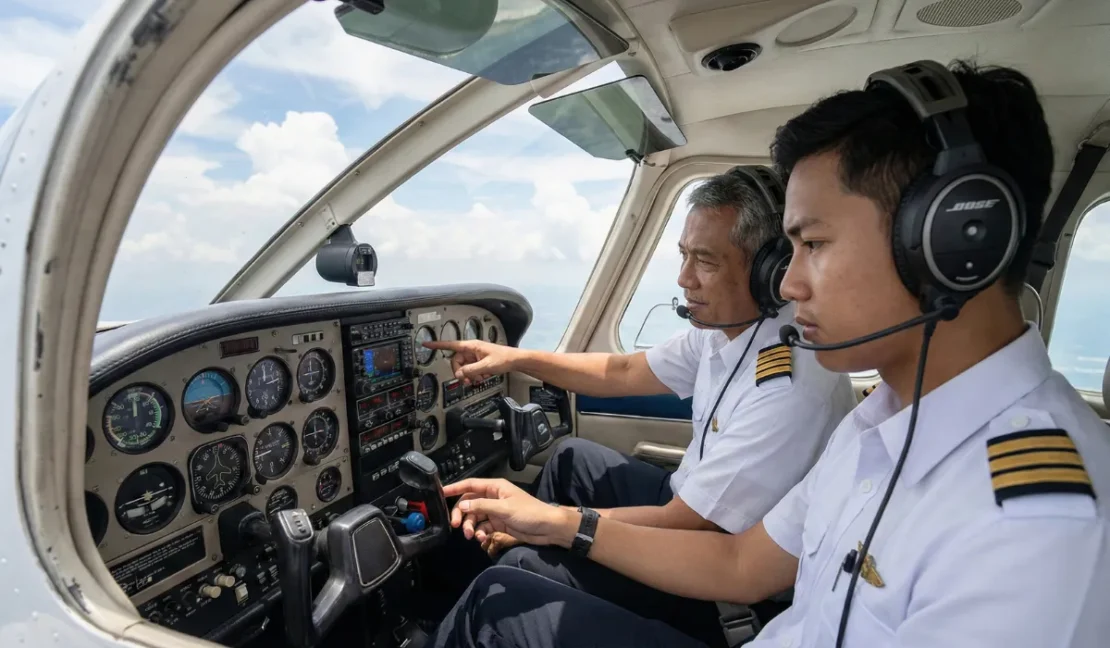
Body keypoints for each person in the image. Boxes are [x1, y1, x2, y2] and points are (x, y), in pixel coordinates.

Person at [425, 58, 1110, 648]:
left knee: (500, 607)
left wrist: (556, 527)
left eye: (813, 244)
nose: (787, 284)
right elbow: (740, 562)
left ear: (951, 245)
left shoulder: (1038, 528)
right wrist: (554, 523)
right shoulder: (882, 425)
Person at [424, 167, 856, 645]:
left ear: (766, 274)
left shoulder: (787, 386)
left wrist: (547, 525)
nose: (684, 278)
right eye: (684, 255)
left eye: (706, 262)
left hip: (722, 590)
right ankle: (443, 611)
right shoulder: (724, 332)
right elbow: (624, 372)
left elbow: (690, 524)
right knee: (573, 460)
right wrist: (516, 357)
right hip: (690, 505)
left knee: (513, 577)